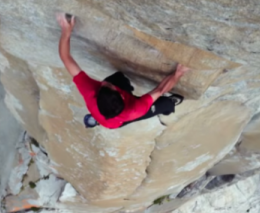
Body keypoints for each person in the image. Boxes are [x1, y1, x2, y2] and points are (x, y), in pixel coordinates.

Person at [56, 13, 189, 129]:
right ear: (121, 95)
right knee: (162, 104)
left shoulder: (90, 92)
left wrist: (66, 32)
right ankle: (169, 106)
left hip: (106, 112)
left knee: (118, 78)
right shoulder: (135, 110)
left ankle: (100, 115)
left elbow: (66, 58)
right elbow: (160, 90)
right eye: (108, 86)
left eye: (104, 86)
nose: (103, 83)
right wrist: (178, 73)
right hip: (118, 121)